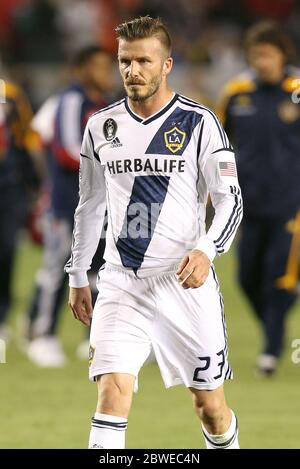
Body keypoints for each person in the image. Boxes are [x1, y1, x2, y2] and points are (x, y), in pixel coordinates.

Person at [66, 16, 242, 449]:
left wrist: (206, 250)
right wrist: (77, 274)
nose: (132, 71)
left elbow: (230, 199)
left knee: (210, 408)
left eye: (144, 61)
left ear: (167, 65)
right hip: (120, 280)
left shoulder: (199, 122)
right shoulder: (100, 127)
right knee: (112, 394)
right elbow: (89, 205)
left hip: (184, 282)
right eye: (125, 61)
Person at [217, 21, 300, 376]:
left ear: (283, 55)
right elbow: (217, 145)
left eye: (268, 54)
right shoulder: (236, 93)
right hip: (247, 204)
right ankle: (275, 326)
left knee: (278, 275)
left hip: (292, 205)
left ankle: (270, 348)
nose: (262, 61)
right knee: (247, 277)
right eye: (256, 55)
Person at [24, 46, 113, 366]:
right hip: (65, 204)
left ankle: (93, 338)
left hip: (97, 206)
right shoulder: (71, 100)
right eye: (99, 67)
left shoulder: (103, 104)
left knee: (99, 273)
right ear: (82, 69)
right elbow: (66, 149)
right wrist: (113, 169)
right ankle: (42, 336)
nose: (106, 73)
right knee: (56, 271)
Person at [0, 78, 41, 341]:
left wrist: (36, 184)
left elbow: (27, 139)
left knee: (6, 249)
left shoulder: (11, 94)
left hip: (8, 186)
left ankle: (1, 317)